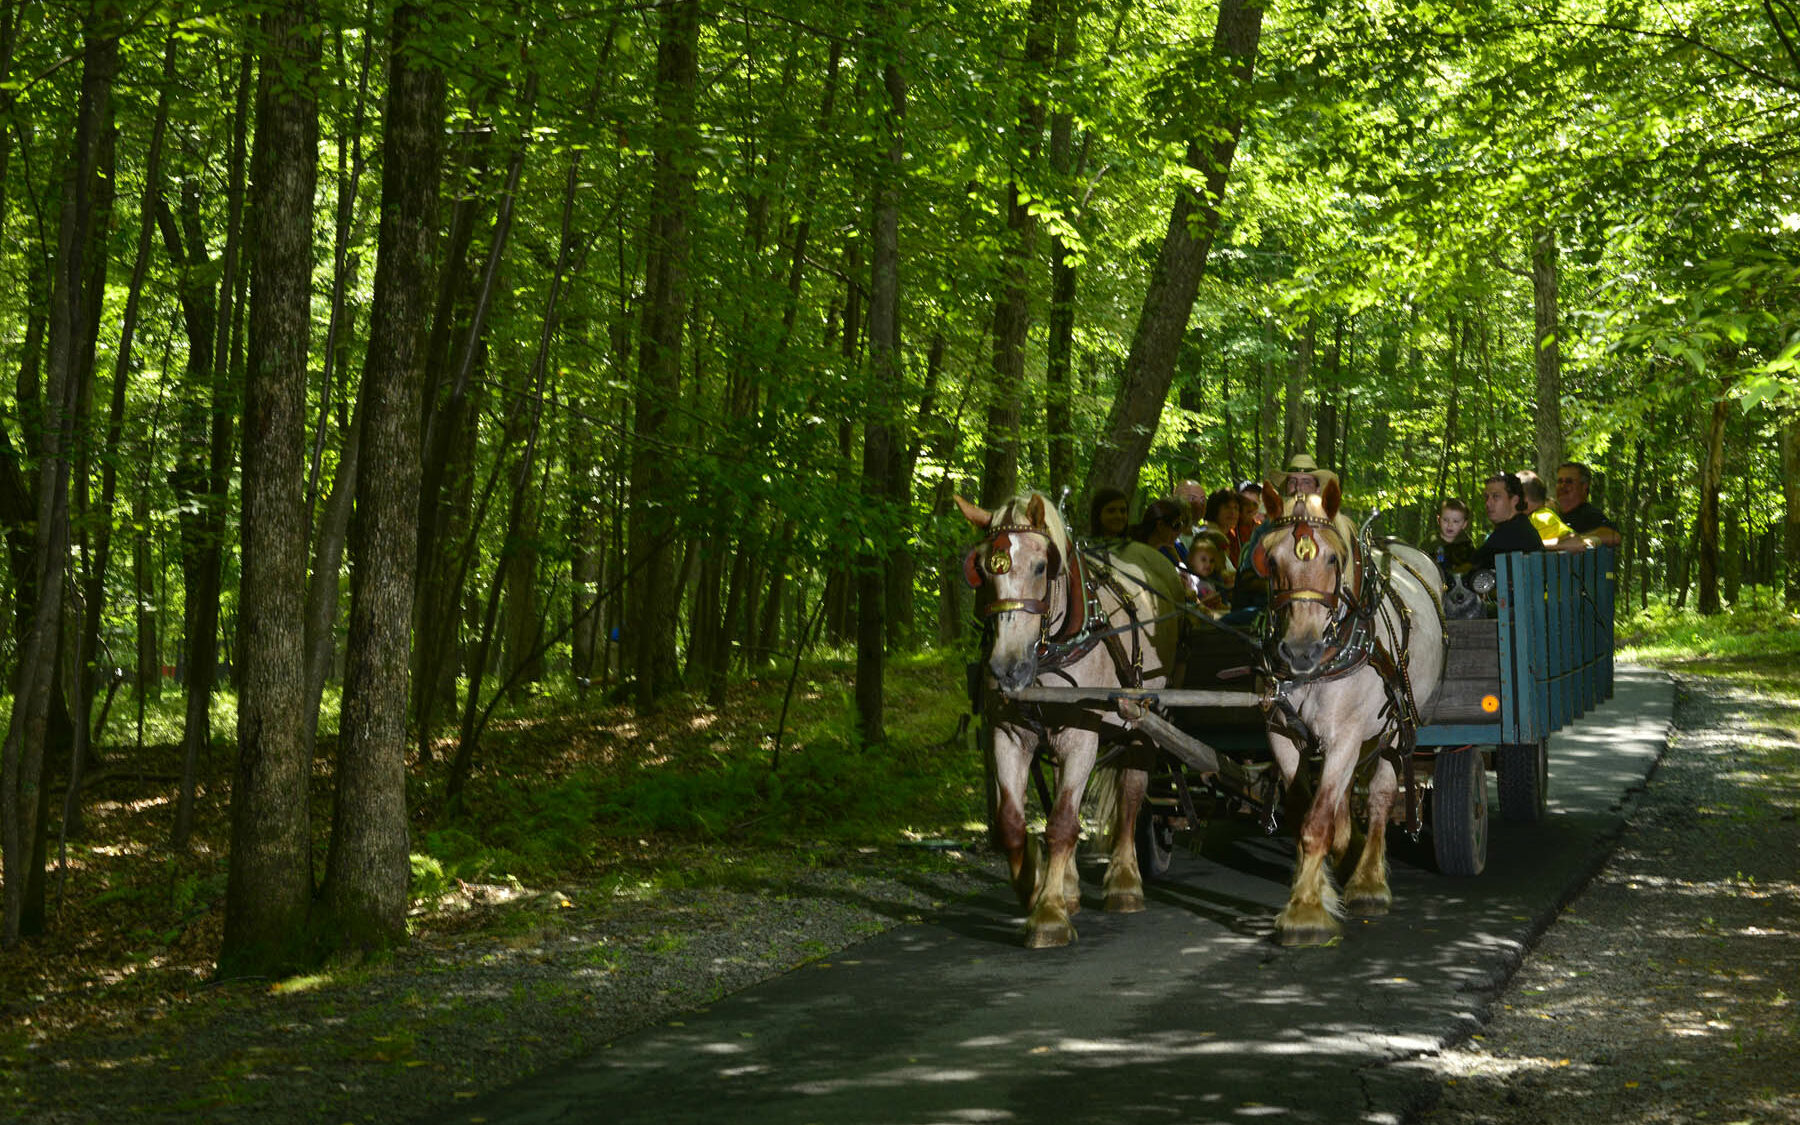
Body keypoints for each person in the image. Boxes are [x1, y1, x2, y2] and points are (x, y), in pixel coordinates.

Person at [1469, 472, 1543, 572]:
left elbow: (1471, 565)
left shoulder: (1512, 532)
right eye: (1486, 497)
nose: (1488, 503)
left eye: (1496, 496)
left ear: (1514, 500)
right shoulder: (1520, 525)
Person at [1554, 461, 1621, 548]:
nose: (1563, 485)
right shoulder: (1552, 515)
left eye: (1569, 481)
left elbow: (1613, 536)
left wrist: (1575, 540)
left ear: (1584, 487)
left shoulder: (1590, 515)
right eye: (1560, 481)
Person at [1518, 470, 1579, 549]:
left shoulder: (1540, 518)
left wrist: (1535, 545)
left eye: (1511, 497)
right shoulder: (1541, 516)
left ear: (1522, 499)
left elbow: (1574, 539)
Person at [1428, 498, 1475, 582]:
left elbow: (1473, 566)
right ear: (1439, 520)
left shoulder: (1466, 545)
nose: (1450, 525)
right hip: (1433, 583)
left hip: (1461, 585)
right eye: (1445, 520)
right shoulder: (1430, 542)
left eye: (1456, 521)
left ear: (1464, 524)